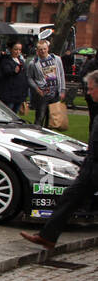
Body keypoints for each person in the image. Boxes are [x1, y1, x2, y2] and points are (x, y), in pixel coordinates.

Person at [22, 70, 98, 251]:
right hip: (91, 166)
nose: (88, 93)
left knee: (72, 198)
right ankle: (47, 237)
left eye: (91, 89)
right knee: (69, 198)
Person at [27, 38, 64, 127]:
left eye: (44, 49)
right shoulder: (34, 63)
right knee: (40, 117)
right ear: (37, 50)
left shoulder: (56, 59)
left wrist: (62, 90)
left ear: (48, 48)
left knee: (52, 119)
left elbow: (61, 74)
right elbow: (29, 78)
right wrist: (37, 89)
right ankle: (37, 133)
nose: (43, 51)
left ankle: (48, 134)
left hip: (55, 93)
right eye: (40, 49)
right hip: (42, 94)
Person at [0, 39, 30, 114]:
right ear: (10, 49)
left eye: (19, 50)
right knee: (8, 113)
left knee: (15, 114)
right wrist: (14, 71)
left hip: (19, 94)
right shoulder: (6, 60)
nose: (18, 52)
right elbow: (6, 72)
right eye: (15, 49)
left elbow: (24, 77)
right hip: (9, 94)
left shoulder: (21, 61)